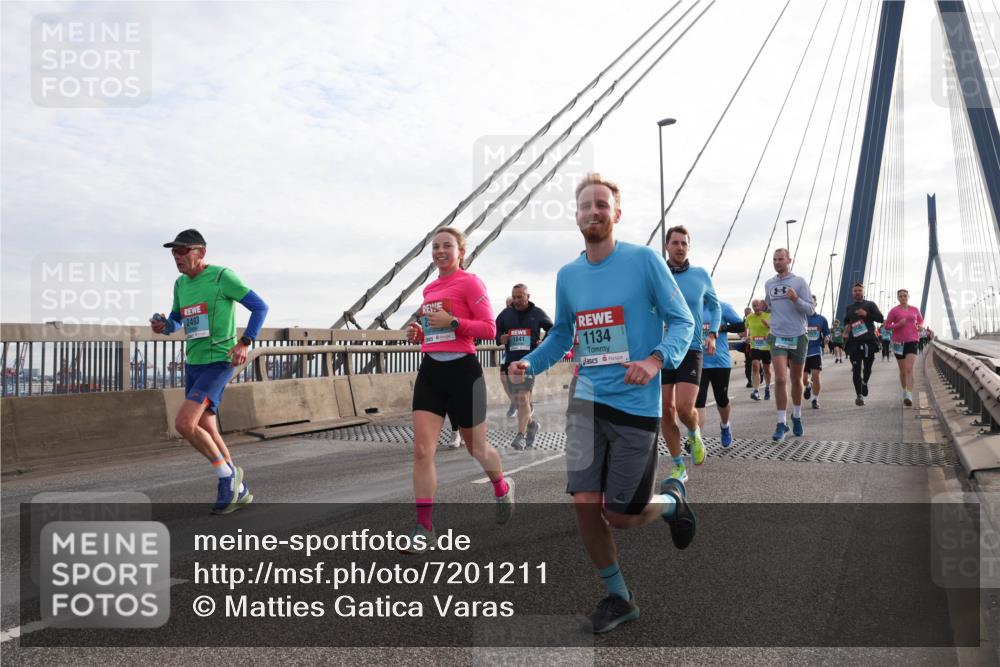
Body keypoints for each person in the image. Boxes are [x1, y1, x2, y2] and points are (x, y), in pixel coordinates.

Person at [508, 173, 696, 634]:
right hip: (587, 401)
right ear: (576, 216)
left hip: (635, 404)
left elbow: (682, 321)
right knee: (586, 505)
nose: (594, 211)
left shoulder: (645, 261)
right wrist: (529, 364)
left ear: (617, 213)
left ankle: (672, 502)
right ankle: (619, 597)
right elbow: (563, 335)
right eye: (586, 205)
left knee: (620, 513)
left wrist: (656, 360)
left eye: (602, 205)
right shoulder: (568, 275)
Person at [404, 227, 513, 552]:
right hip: (432, 371)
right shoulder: (429, 289)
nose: (440, 251)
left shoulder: (470, 282)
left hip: (464, 372)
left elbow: (489, 329)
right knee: (423, 450)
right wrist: (420, 334)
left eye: (446, 246)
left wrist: (453, 323)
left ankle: (501, 485)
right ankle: (424, 528)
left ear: (461, 251)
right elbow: (434, 331)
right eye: (435, 246)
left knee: (476, 448)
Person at [151, 229, 268, 514]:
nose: (177, 257)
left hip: (219, 362)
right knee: (206, 427)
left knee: (185, 424)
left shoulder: (221, 277)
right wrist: (165, 326)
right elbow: (178, 319)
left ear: (200, 252)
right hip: (194, 362)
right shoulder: (180, 284)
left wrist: (245, 342)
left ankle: (226, 477)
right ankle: (239, 490)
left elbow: (259, 307)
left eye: (182, 251)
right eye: (173, 252)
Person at [660, 225, 720, 483]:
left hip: (691, 347)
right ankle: (677, 465)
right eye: (675, 243)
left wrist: (713, 333)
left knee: (685, 408)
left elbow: (715, 307)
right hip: (661, 350)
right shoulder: (657, 275)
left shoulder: (700, 275)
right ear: (667, 246)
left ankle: (694, 433)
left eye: (684, 243)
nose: (680, 247)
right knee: (666, 409)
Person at [764, 248, 815, 442]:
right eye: (774, 259)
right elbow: (770, 305)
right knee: (780, 379)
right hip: (777, 335)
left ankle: (797, 416)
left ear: (789, 260)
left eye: (780, 259)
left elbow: (810, 309)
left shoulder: (799, 282)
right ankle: (781, 422)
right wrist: (763, 307)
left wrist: (796, 299)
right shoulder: (769, 283)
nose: (777, 262)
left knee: (796, 379)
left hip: (798, 336)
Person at [495, 284, 553, 449]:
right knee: (516, 399)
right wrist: (501, 338)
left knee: (521, 398)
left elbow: (553, 329)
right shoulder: (506, 314)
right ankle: (531, 424)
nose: (517, 300)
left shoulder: (537, 313)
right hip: (508, 361)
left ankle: (520, 436)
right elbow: (496, 332)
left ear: (528, 296)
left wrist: (545, 341)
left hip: (528, 361)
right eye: (514, 297)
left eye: (520, 297)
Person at [697, 301, 743, 447]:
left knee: (721, 399)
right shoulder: (692, 305)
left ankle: (725, 426)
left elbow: (741, 326)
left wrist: (721, 328)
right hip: (699, 361)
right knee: (699, 401)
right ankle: (697, 439)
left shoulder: (722, 307)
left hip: (720, 361)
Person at [843, 283, 885, 406]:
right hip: (854, 343)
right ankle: (859, 396)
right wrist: (846, 330)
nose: (857, 292)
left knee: (867, 368)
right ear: (852, 293)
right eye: (855, 290)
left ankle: (865, 382)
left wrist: (866, 314)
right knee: (856, 370)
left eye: (859, 290)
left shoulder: (870, 305)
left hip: (869, 342)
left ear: (863, 292)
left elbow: (880, 318)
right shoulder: (849, 307)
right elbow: (847, 321)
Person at [884, 288, 924, 407]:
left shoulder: (915, 309)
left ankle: (909, 394)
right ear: (898, 298)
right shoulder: (894, 311)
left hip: (912, 340)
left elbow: (920, 321)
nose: (903, 298)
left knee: (909, 369)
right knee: (902, 371)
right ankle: (904, 390)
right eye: (900, 296)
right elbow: (886, 326)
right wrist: (898, 325)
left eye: (904, 296)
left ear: (908, 297)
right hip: (898, 343)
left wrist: (920, 326)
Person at [802, 296, 830, 409]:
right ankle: (808, 386)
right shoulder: (800, 318)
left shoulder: (821, 319)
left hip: (815, 351)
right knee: (803, 379)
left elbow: (827, 333)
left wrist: (827, 337)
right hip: (802, 352)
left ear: (815, 304)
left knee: (816, 375)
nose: (810, 305)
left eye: (812, 303)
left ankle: (815, 399)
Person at [745, 299, 772, 401]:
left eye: (757, 306)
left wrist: (768, 325)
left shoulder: (767, 316)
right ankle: (756, 391)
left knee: (767, 369)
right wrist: (746, 336)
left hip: (766, 346)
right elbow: (746, 328)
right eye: (754, 306)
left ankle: (768, 388)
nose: (756, 308)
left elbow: (773, 328)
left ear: (761, 306)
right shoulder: (749, 317)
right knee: (755, 366)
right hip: (754, 345)